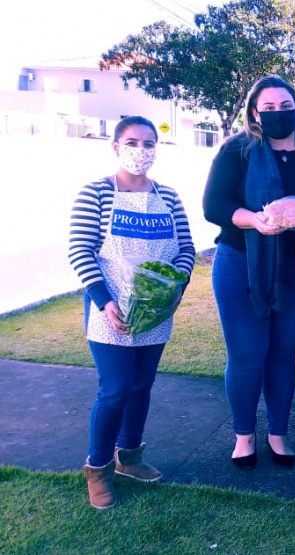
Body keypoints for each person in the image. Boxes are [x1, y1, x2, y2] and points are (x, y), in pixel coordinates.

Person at [202, 76, 295, 469]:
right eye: (267, 109)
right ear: (255, 112)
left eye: (284, 106)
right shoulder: (237, 151)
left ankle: (278, 434)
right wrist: (254, 220)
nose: (277, 114)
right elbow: (214, 206)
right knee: (248, 353)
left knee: (284, 353)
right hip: (242, 263)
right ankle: (243, 435)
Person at [68, 116, 196, 509]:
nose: (141, 151)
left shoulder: (169, 197)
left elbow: (186, 248)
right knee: (116, 390)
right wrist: (104, 300)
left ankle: (130, 457)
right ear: (115, 146)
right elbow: (80, 250)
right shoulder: (96, 194)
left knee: (142, 387)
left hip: (155, 312)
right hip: (112, 312)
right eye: (132, 142)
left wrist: (175, 286)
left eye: (148, 143)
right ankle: (99, 468)